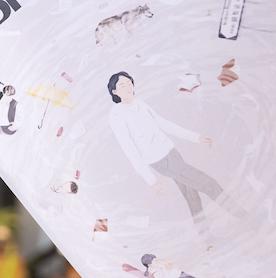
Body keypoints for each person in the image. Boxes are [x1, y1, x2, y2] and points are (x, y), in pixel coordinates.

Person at [105, 71, 249, 233]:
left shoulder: (140, 104)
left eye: (129, 83)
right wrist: (151, 180)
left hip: (172, 153)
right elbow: (129, 149)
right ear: (115, 92)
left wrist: (196, 137)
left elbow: (164, 124)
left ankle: (206, 237)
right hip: (161, 161)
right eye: (122, 85)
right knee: (209, 183)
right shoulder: (117, 115)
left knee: (192, 197)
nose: (128, 87)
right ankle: (246, 217)